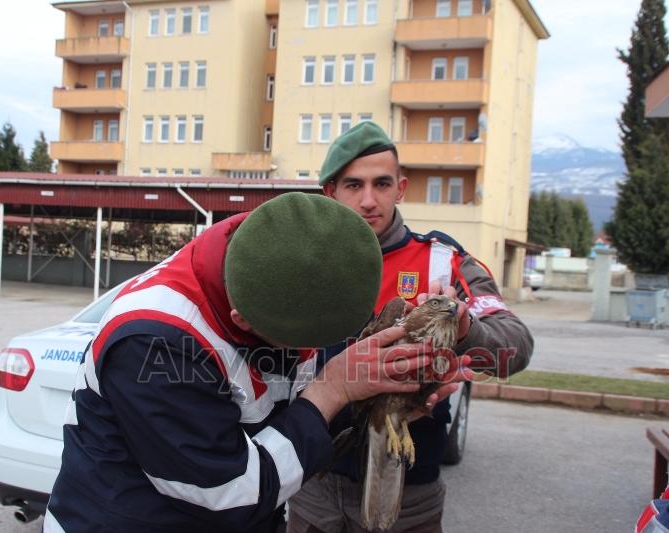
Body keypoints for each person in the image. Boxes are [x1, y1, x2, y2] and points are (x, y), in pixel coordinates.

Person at [44, 192, 465, 533]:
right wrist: (333, 388)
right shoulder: (155, 342)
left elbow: (287, 416)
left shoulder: (285, 264)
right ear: (242, 320)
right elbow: (227, 495)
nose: (315, 350)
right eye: (303, 342)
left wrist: (380, 408)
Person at [287, 122, 535, 533]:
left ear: (400, 188)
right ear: (331, 192)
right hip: (313, 486)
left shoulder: (445, 262)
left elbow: (515, 350)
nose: (369, 200)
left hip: (408, 494)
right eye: (353, 185)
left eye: (381, 184)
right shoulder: (300, 266)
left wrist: (463, 329)